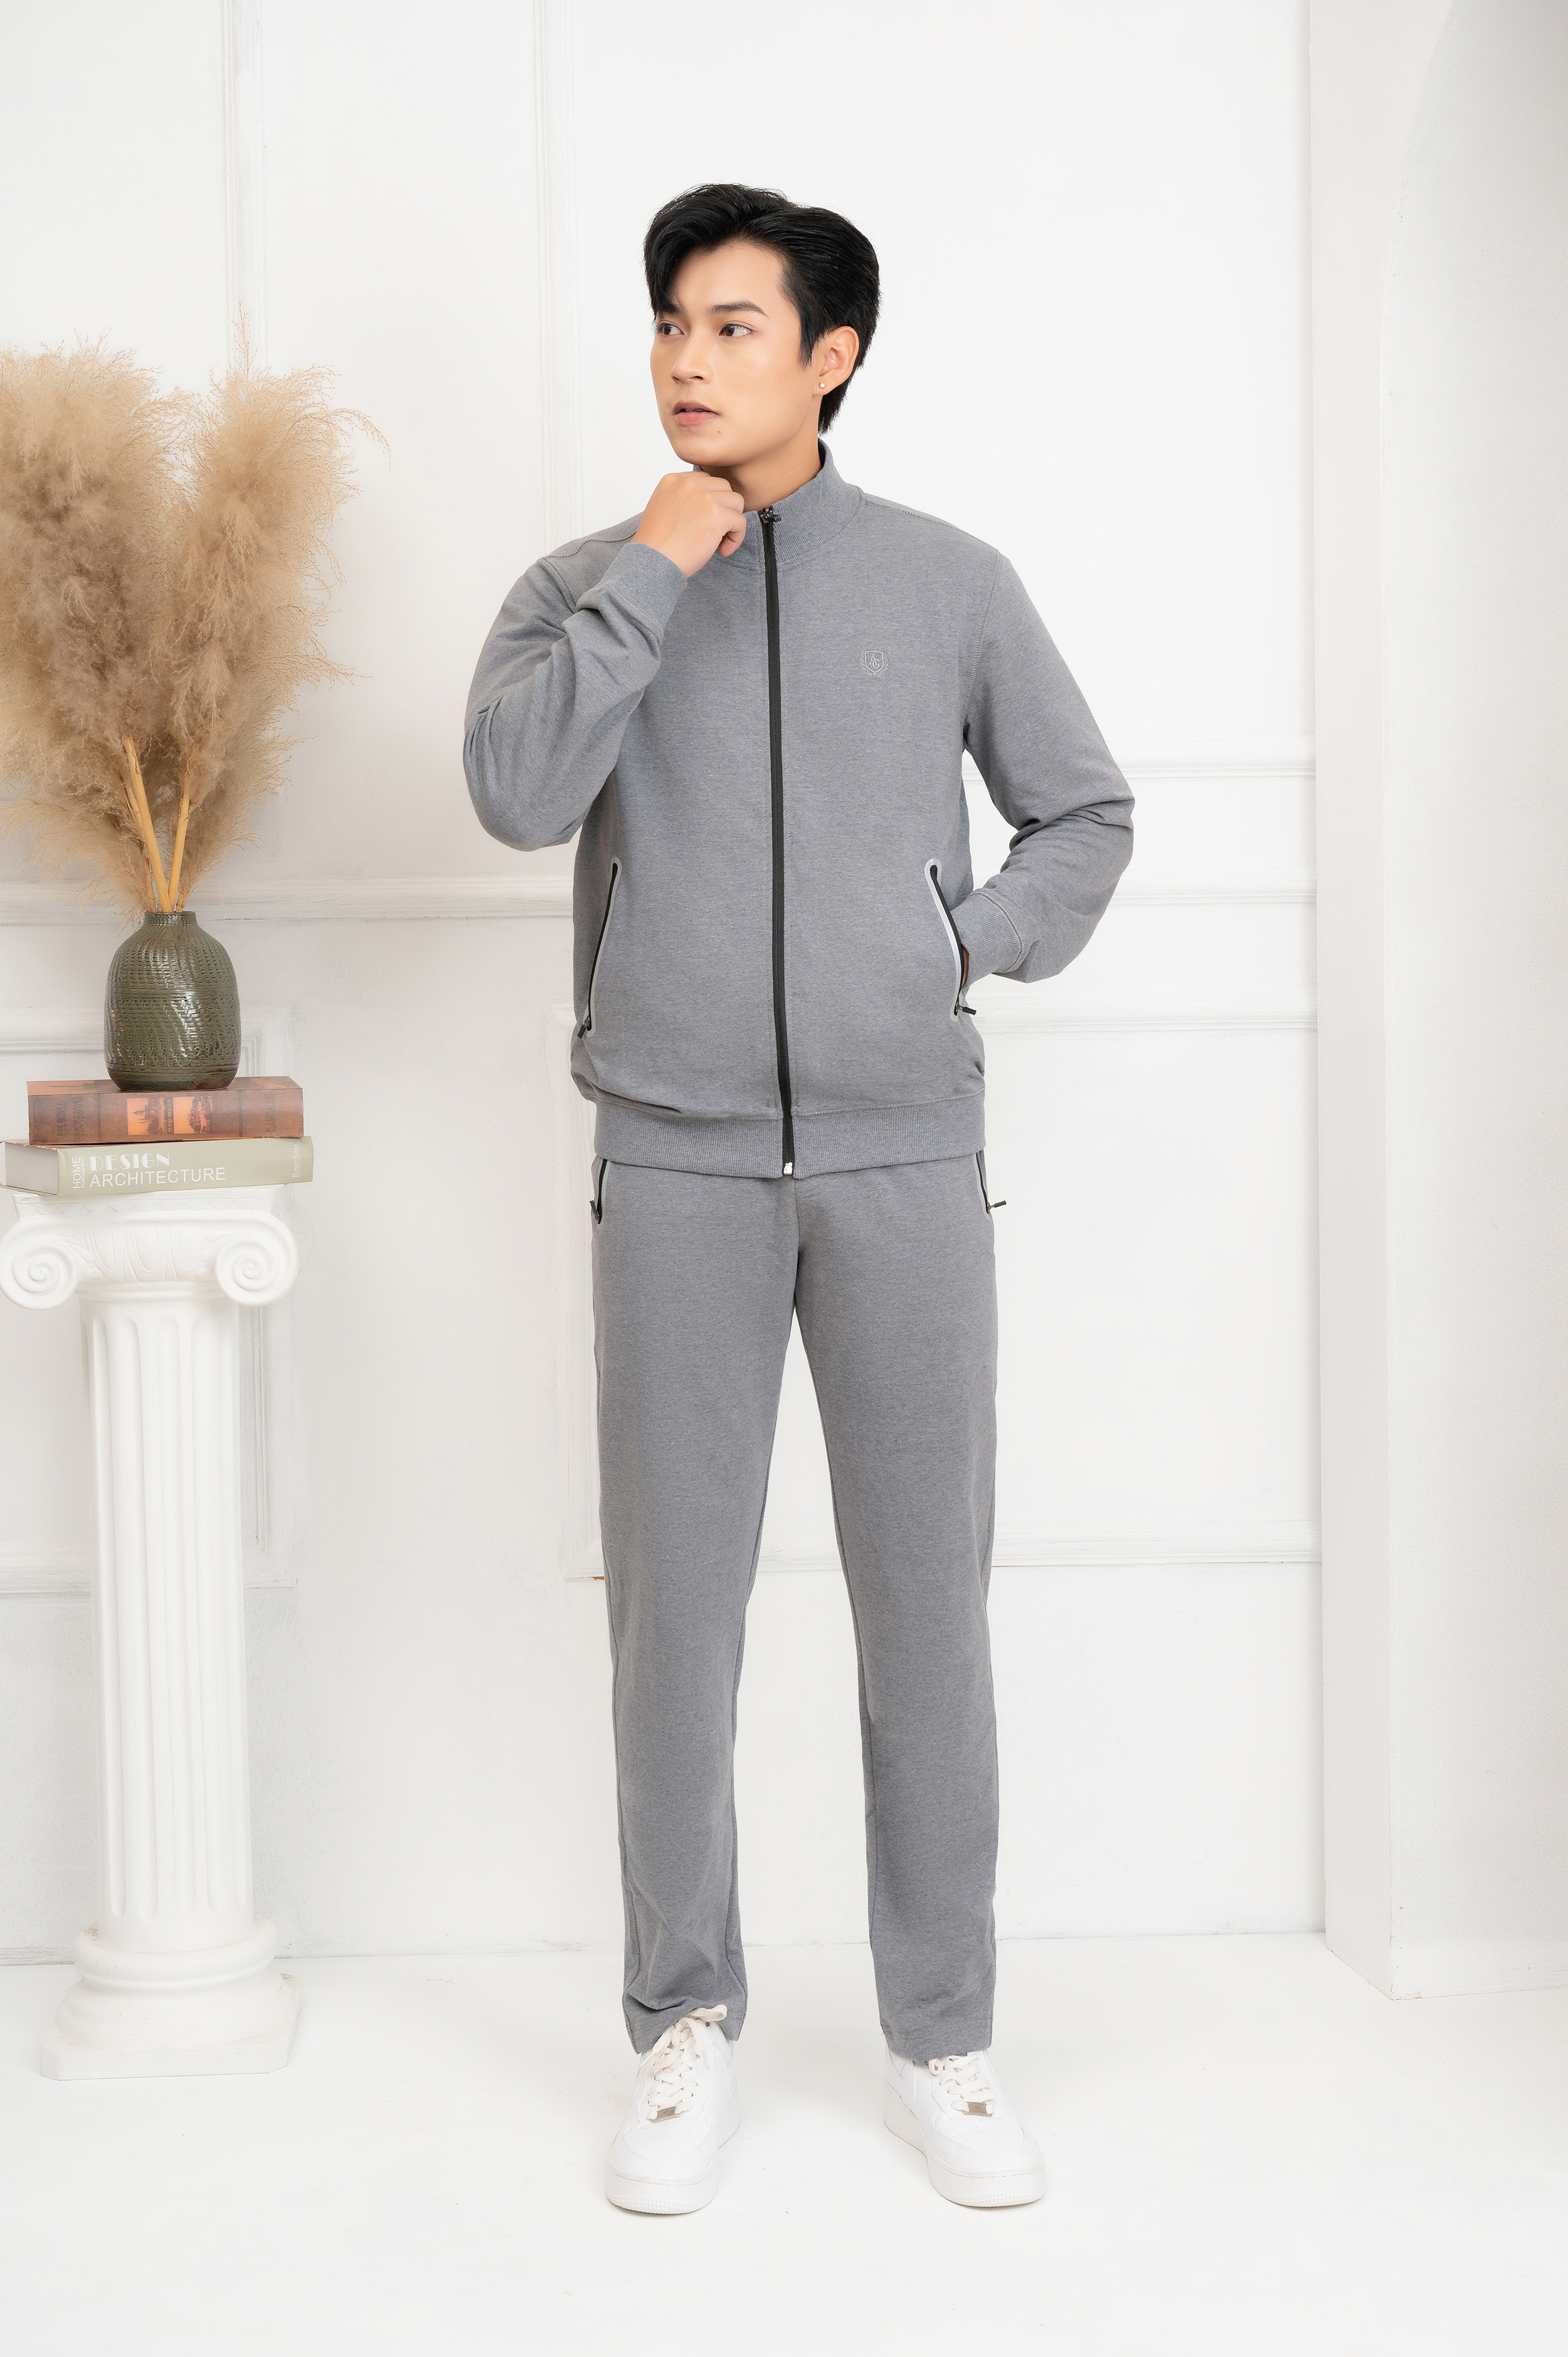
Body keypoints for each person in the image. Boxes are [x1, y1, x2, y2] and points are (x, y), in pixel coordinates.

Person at [464, 182, 1133, 2215]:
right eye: (670, 323)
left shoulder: (945, 583)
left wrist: (957, 943)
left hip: (902, 1155)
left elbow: (1083, 812)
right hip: (669, 1158)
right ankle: (682, 2026)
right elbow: (515, 795)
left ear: (830, 357)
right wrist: (653, 576)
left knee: (924, 1613)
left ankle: (943, 2039)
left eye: (732, 327)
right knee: (675, 1626)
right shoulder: (582, 584)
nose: (686, 360)